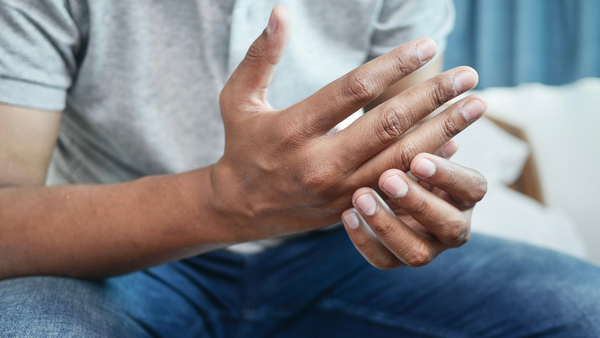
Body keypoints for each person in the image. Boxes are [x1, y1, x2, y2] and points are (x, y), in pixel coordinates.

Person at [0, 1, 599, 337]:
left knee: (583, 313)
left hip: (337, 253)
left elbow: (414, 153)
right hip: (123, 262)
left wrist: (423, 203)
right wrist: (223, 201)